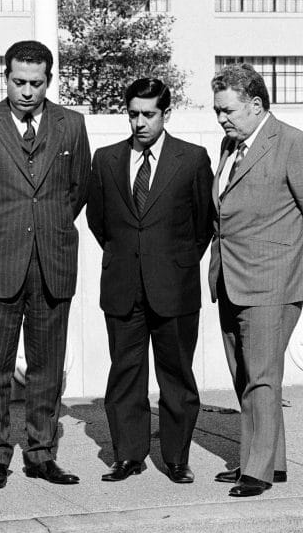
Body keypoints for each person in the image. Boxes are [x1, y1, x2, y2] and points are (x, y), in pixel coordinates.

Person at [0, 40, 90, 489]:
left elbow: (77, 191)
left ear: (49, 80)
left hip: (52, 259)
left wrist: (43, 230)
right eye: (18, 82)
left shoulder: (71, 125)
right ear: (5, 78)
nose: (27, 91)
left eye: (36, 83)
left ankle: (41, 452)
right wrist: (0, 233)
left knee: (46, 366)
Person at [86, 78, 213, 484]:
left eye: (148, 114)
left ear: (166, 114)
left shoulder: (191, 159)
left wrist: (173, 264)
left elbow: (201, 226)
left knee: (176, 375)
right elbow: (98, 221)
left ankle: (176, 457)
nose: (139, 122)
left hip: (173, 287)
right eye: (133, 114)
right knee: (125, 373)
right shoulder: (106, 159)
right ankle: (129, 454)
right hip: (123, 286)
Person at [209, 64, 303, 497]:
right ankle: (269, 460)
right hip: (229, 277)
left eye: (228, 110)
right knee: (244, 374)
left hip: (274, 282)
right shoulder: (230, 145)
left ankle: (257, 471)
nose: (222, 119)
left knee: (262, 376)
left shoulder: (291, 144)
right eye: (217, 112)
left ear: (256, 104)